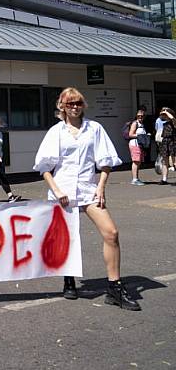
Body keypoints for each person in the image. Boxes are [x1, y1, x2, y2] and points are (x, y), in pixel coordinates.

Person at [34, 87, 140, 310]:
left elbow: (105, 162)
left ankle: (114, 287)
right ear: (62, 106)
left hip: (88, 190)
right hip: (62, 191)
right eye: (70, 103)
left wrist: (101, 187)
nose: (74, 107)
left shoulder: (95, 129)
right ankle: (69, 279)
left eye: (78, 103)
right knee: (67, 238)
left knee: (111, 233)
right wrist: (57, 190)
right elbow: (45, 167)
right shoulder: (56, 132)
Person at [128, 108, 148, 186]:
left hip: (140, 145)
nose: (140, 117)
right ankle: (134, 179)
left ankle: (136, 178)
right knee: (136, 161)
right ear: (136, 116)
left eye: (142, 116)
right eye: (139, 116)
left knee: (138, 162)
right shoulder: (135, 123)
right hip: (134, 144)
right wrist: (141, 136)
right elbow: (130, 134)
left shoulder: (142, 124)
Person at [158, 108, 176, 185]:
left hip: (172, 141)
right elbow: (160, 117)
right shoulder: (164, 123)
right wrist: (163, 112)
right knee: (165, 162)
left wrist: (167, 111)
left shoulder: (174, 122)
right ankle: (164, 179)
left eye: (166, 115)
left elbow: (172, 118)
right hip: (165, 141)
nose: (164, 116)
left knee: (174, 161)